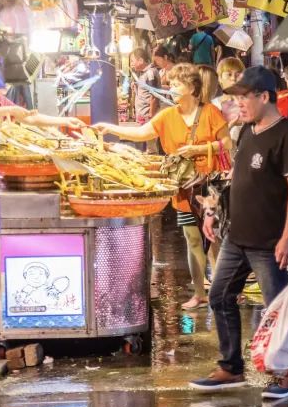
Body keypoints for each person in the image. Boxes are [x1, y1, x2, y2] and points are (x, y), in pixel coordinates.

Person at [191, 67, 288, 397]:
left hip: (269, 241)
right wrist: (212, 211)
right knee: (219, 295)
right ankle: (230, 367)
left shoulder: (286, 135)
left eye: (244, 97)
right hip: (236, 236)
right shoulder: (246, 132)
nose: (238, 103)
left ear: (264, 96)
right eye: (235, 97)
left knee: (277, 308)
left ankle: (287, 376)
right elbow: (235, 182)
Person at [94, 64, 228, 310]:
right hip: (184, 188)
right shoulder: (167, 115)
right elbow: (142, 133)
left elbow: (227, 144)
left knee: (215, 239)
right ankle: (200, 293)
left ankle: (221, 292)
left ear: (191, 87)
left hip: (211, 188)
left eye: (177, 84)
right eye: (172, 84)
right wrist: (111, 128)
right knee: (192, 238)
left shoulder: (210, 113)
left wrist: (198, 149)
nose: (172, 88)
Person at [130, 49, 161, 126]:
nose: (131, 64)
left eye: (132, 61)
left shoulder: (150, 73)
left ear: (140, 60)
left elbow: (154, 95)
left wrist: (151, 114)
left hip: (147, 118)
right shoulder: (143, 73)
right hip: (142, 117)